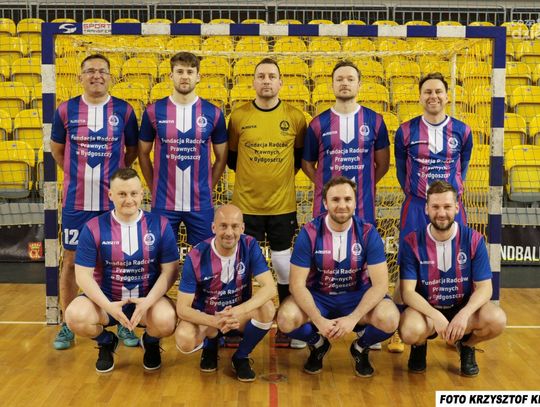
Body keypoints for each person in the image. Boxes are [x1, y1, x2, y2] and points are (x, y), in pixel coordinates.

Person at [50, 54, 139, 350]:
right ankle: (68, 323)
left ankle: (122, 321)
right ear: (80, 77)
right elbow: (58, 149)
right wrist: (77, 175)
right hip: (76, 203)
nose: (96, 75)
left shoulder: (124, 111)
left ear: (110, 77)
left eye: (102, 71)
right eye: (90, 71)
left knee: (118, 263)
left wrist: (115, 183)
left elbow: (132, 151)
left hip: (112, 204)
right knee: (71, 261)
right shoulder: (66, 109)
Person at [276, 177, 399, 377]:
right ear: (325, 203)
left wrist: (353, 318)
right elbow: (296, 285)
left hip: (356, 296)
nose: (342, 205)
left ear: (355, 202)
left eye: (347, 199)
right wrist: (318, 320)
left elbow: (381, 285)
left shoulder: (367, 232)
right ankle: (318, 344)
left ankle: (360, 347)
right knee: (285, 319)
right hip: (319, 297)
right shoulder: (310, 232)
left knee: (391, 318)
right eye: (335, 200)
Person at [390, 72, 474, 353]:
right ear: (420, 96)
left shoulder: (463, 131)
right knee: (408, 266)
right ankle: (399, 329)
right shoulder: (405, 131)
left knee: (458, 267)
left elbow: (463, 167)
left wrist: (447, 199)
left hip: (450, 208)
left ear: (447, 96)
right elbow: (402, 172)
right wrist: (420, 196)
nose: (433, 96)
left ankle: (460, 330)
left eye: (438, 91)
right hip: (416, 206)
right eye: (427, 91)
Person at [64, 168, 180, 372]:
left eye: (134, 193)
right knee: (74, 316)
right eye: (122, 194)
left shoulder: (160, 225)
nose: (129, 200)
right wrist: (109, 307)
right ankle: (106, 341)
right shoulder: (94, 227)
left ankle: (150, 342)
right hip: (108, 301)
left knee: (167, 320)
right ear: (110, 195)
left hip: (146, 301)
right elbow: (83, 276)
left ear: (142, 194)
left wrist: (147, 303)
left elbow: (170, 272)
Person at [227, 57, 306, 348]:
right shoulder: (238, 117)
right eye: (261, 76)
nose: (266, 81)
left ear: (281, 82)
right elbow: (233, 159)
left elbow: (298, 159)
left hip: (282, 207)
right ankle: (236, 326)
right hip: (245, 207)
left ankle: (286, 324)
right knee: (240, 269)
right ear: (253, 82)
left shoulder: (296, 117)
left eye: (272, 76)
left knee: (283, 266)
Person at [399, 180, 506, 376]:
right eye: (435, 207)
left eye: (447, 206)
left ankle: (466, 345)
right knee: (409, 330)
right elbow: (407, 292)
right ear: (426, 209)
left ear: (457, 207)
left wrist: (464, 314)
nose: (441, 213)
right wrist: (435, 315)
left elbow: (485, 288)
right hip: (427, 312)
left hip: (462, 308)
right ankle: (419, 346)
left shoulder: (473, 239)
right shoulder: (412, 242)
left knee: (497, 319)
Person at [175, 204, 276, 382]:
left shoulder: (249, 245)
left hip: (238, 317)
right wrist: (214, 321)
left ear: (242, 228)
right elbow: (182, 309)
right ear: (213, 227)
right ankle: (210, 345)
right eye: (223, 226)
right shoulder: (196, 256)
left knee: (267, 308)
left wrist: (238, 311)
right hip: (208, 318)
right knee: (184, 338)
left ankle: (241, 356)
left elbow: (270, 288)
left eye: (234, 226)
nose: (229, 232)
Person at [139, 51, 228, 247]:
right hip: (164, 203)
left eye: (190, 72)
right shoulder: (154, 111)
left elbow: (222, 157)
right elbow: (143, 153)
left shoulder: (213, 113)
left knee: (203, 257)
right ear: (171, 75)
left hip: (200, 203)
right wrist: (154, 187)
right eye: (179, 71)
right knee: (162, 257)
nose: (185, 76)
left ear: (198, 76)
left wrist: (208, 186)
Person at [302, 60, 390, 225]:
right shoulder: (317, 123)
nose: (345, 83)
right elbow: (307, 164)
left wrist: (365, 184)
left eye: (350, 79)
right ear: (332, 85)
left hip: (364, 207)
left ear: (359, 85)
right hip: (325, 209)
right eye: (339, 79)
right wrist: (325, 185)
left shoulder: (375, 120)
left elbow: (383, 165)